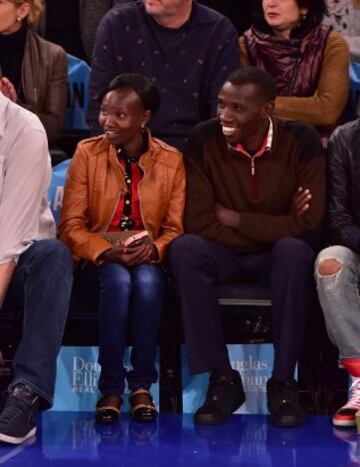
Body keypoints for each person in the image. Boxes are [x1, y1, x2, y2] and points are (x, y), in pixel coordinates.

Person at [168, 67, 325, 427]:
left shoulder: (301, 141)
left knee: (294, 252)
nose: (225, 115)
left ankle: (284, 382)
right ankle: (222, 379)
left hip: (276, 257)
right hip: (223, 255)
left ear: (266, 109)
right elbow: (200, 222)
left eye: (238, 108)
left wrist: (238, 220)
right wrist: (280, 223)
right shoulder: (202, 139)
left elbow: (309, 227)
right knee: (186, 249)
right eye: (222, 105)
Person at [60, 73, 185, 424]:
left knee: (147, 282)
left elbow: (175, 229)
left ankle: (142, 384)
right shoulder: (88, 153)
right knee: (118, 281)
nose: (108, 122)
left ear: (144, 118)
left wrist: (155, 249)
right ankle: (111, 387)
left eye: (120, 115)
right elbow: (71, 227)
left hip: (146, 256)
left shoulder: (171, 160)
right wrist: (105, 249)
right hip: (97, 257)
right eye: (104, 112)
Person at [0, 89, 72, 445]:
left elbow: (7, 247)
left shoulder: (24, 131)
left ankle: (26, 392)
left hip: (17, 265)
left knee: (53, 257)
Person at [86, 0, 240, 151]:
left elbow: (222, 116)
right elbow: (97, 107)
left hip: (194, 155)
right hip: (127, 149)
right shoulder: (117, 24)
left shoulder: (219, 31)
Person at [239, 0, 349, 144]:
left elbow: (327, 110)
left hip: (315, 146)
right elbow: (241, 105)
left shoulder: (332, 43)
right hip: (259, 143)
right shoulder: (245, 45)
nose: (271, 3)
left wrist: (261, 105)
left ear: (304, 7)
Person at [315, 117, 360, 428]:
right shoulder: (345, 139)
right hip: (357, 245)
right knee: (330, 262)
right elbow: (338, 216)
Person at [0, 0, 67, 145]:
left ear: (22, 11)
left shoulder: (53, 56)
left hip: (30, 149)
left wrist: (15, 105)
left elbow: (53, 129)